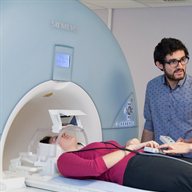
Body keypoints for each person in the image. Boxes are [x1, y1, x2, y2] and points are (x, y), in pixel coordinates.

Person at [42, 133, 192, 192]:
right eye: (55, 137)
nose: (63, 134)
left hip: (140, 157)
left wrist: (130, 143)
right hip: (131, 169)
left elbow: (118, 151)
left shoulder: (87, 147)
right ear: (51, 148)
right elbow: (95, 168)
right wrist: (131, 148)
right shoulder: (64, 160)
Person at [141, 38, 192, 149]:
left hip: (188, 159)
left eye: (183, 59)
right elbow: (149, 125)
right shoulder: (152, 87)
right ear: (160, 65)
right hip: (161, 157)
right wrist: (143, 155)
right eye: (173, 61)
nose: (180, 66)